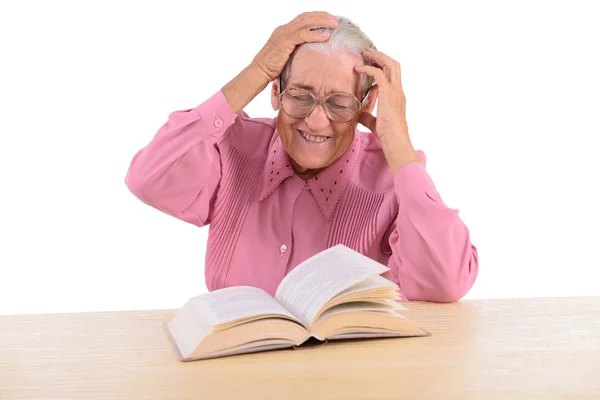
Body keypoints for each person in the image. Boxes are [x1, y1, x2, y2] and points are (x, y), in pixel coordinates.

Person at [125, 11, 478, 302]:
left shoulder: (393, 180)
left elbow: (445, 281)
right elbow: (148, 179)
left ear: (364, 106)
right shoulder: (234, 147)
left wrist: (398, 138)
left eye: (339, 104)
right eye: (299, 96)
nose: (315, 120)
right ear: (276, 92)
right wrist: (257, 71)